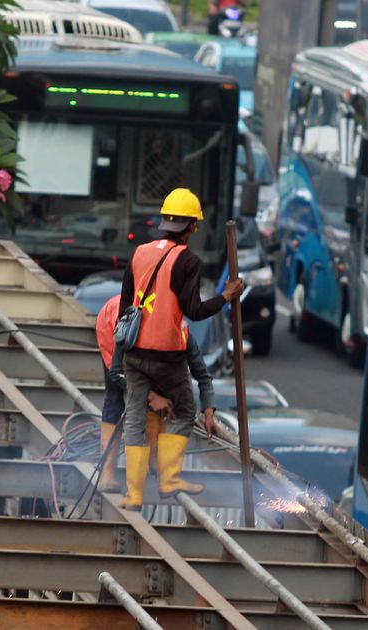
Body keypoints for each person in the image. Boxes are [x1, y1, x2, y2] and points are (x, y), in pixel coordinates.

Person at [115, 188, 243, 510]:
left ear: (164, 222)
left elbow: (125, 304)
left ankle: (134, 494)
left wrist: (124, 352)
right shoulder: (188, 261)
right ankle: (169, 477)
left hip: (133, 350)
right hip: (166, 354)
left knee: (134, 419)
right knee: (185, 410)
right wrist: (226, 297)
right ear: (191, 227)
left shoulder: (140, 252)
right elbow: (194, 311)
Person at [94, 294, 217, 493]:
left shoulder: (183, 337)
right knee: (116, 398)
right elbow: (118, 376)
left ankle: (152, 460)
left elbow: (203, 376)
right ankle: (107, 473)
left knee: (160, 391)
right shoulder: (131, 328)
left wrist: (209, 411)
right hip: (115, 330)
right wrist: (152, 397)